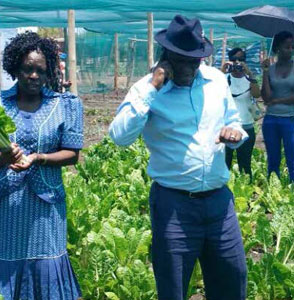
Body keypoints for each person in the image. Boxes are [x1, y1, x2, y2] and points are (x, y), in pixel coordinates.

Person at [109, 15, 248, 300]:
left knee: (232, 280)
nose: (188, 67)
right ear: (166, 56)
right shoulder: (146, 88)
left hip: (219, 202)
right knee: (173, 288)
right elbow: (119, 136)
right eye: (181, 60)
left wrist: (234, 134)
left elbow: (234, 121)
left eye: (194, 60)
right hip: (174, 206)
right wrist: (154, 87)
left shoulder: (216, 80)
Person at [0, 32, 83, 300]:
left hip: (46, 204)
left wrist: (39, 157)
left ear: (48, 73)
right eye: (27, 69)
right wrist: (4, 158)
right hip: (7, 203)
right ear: (15, 68)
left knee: (45, 259)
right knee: (7, 259)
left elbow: (72, 154)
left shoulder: (64, 105)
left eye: (40, 70)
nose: (33, 76)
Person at [221, 47, 261, 178]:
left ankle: (246, 191)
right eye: (234, 59)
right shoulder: (224, 78)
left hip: (246, 126)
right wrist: (222, 72)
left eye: (241, 59)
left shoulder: (249, 79)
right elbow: (214, 95)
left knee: (245, 164)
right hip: (225, 127)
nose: (237, 62)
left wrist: (250, 73)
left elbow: (256, 94)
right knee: (224, 163)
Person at [261, 31, 294, 182]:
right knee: (273, 159)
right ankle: (273, 192)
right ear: (278, 48)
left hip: (290, 119)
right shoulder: (271, 69)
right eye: (288, 47)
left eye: (292, 47)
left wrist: (277, 101)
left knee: (292, 158)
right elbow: (267, 97)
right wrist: (265, 72)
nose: (291, 50)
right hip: (271, 120)